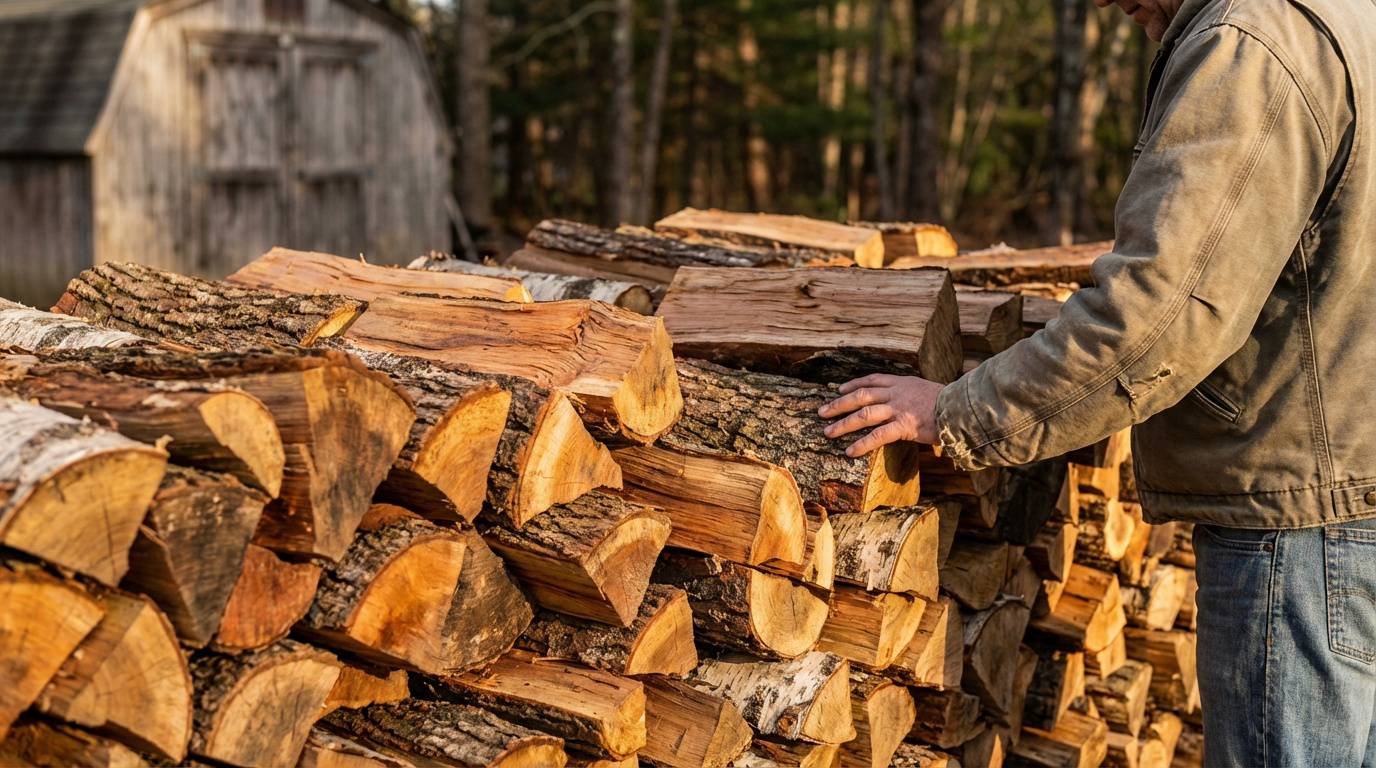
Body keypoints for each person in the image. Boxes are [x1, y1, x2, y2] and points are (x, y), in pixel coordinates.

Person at [819, 0, 1376, 764]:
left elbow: (1160, 315)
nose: (1119, 11)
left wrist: (959, 412)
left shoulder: (1250, 42)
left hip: (1304, 522)